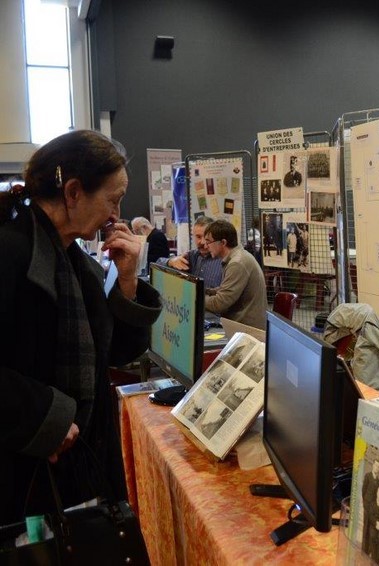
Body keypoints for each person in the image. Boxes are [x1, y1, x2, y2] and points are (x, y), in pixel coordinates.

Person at [0, 130, 162, 525]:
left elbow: (117, 353)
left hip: (74, 470)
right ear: (73, 192)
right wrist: (47, 417)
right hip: (23, 478)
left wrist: (127, 280)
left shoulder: (76, 262)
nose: (116, 214)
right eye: (113, 198)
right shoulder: (9, 254)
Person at [203, 219, 268, 329]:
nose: (205, 246)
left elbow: (219, 304)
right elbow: (228, 290)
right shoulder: (238, 257)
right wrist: (208, 291)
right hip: (241, 327)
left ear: (223, 243)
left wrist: (196, 297)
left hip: (248, 332)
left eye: (209, 241)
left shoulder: (237, 263)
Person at [156, 215, 223, 288]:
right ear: (193, 236)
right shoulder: (191, 256)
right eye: (198, 237)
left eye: (206, 237)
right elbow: (158, 263)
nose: (203, 242)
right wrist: (171, 262)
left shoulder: (223, 260)